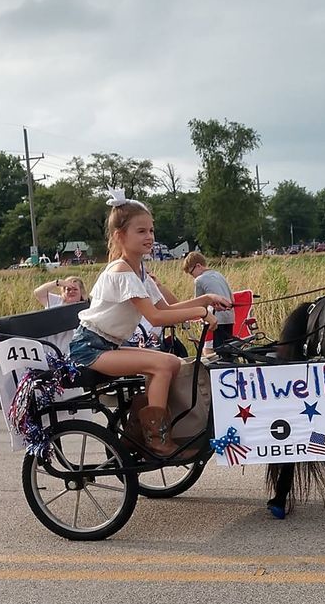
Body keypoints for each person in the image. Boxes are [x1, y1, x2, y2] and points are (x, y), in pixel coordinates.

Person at [69, 191, 232, 456]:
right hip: (90, 348)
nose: (150, 237)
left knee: (171, 362)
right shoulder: (121, 271)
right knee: (162, 364)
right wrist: (202, 313)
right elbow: (156, 318)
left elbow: (165, 308)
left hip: (109, 345)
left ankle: (136, 429)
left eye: (152, 231)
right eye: (141, 231)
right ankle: (156, 438)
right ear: (120, 236)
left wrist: (206, 299)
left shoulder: (139, 271)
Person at [181, 251, 235, 349]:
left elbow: (199, 305)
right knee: (229, 348)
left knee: (217, 351)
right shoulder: (219, 275)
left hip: (215, 319)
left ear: (198, 266)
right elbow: (232, 299)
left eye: (191, 272)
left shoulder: (199, 280)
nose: (192, 276)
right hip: (229, 317)